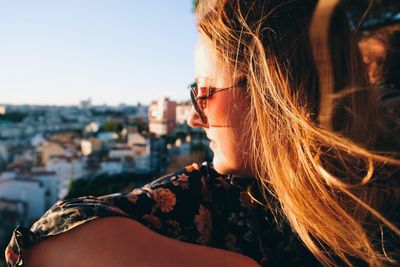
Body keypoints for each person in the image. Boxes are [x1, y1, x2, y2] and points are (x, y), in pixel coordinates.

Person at [5, 0, 400, 266]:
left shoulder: (228, 204)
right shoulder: (216, 195)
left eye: (204, 93)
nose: (195, 118)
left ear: (275, 95)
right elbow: (50, 241)